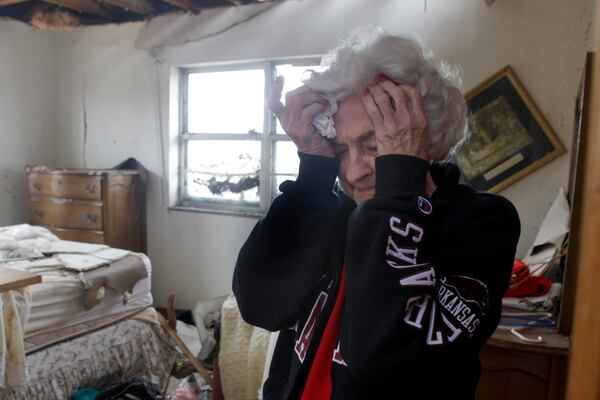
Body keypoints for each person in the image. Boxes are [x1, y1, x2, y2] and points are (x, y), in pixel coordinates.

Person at [233, 27, 520, 400]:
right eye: (340, 151)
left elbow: (384, 356)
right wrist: (312, 178)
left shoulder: (481, 222)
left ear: (422, 133)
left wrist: (400, 180)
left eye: (373, 145)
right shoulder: (332, 212)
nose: (354, 171)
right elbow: (260, 307)